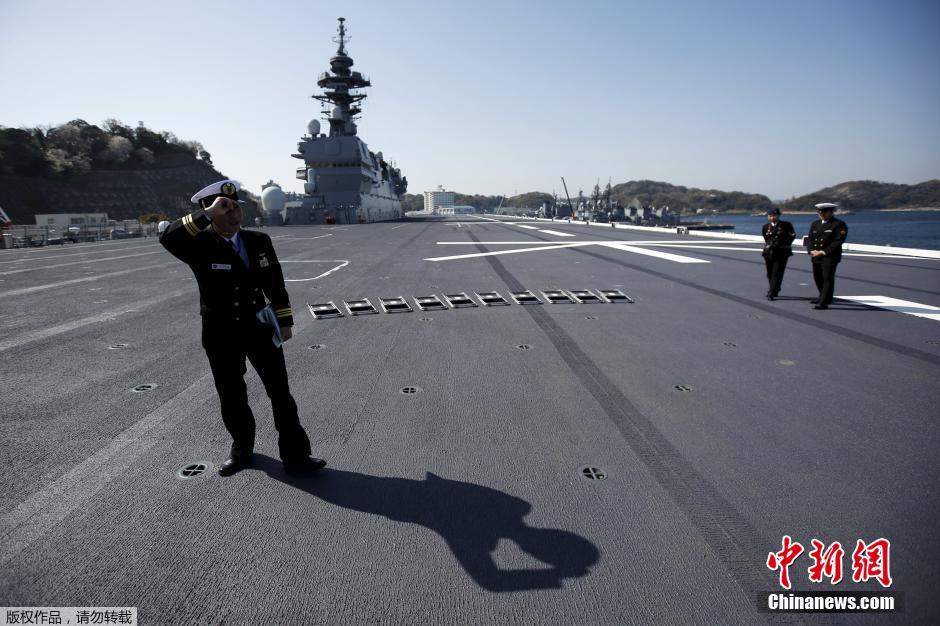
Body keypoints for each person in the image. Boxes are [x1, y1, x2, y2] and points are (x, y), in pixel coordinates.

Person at [160, 179, 326, 476]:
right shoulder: (198, 245)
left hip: (259, 328)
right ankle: (242, 452)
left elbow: (275, 283)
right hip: (220, 333)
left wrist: (285, 321)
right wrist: (208, 214)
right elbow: (169, 238)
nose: (235, 214)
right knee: (231, 395)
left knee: (280, 393)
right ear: (211, 211)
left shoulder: (258, 240)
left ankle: (297, 457)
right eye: (226, 209)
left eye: (237, 207)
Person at [806, 202, 848, 310]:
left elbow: (838, 240)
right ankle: (823, 296)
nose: (821, 214)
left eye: (824, 212)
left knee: (827, 278)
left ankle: (824, 301)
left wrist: (824, 252)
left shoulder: (838, 224)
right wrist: (811, 250)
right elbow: (810, 238)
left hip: (830, 255)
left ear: (831, 212)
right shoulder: (815, 224)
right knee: (817, 277)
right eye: (819, 212)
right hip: (816, 255)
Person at [761, 207, 796, 300]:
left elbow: (791, 237)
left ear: (779, 215)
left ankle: (771, 292)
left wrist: (783, 244)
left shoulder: (786, 225)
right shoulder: (765, 227)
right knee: (769, 273)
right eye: (770, 216)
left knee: (776, 273)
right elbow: (766, 238)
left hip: (781, 252)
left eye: (774, 216)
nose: (772, 218)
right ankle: (775, 288)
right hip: (769, 253)